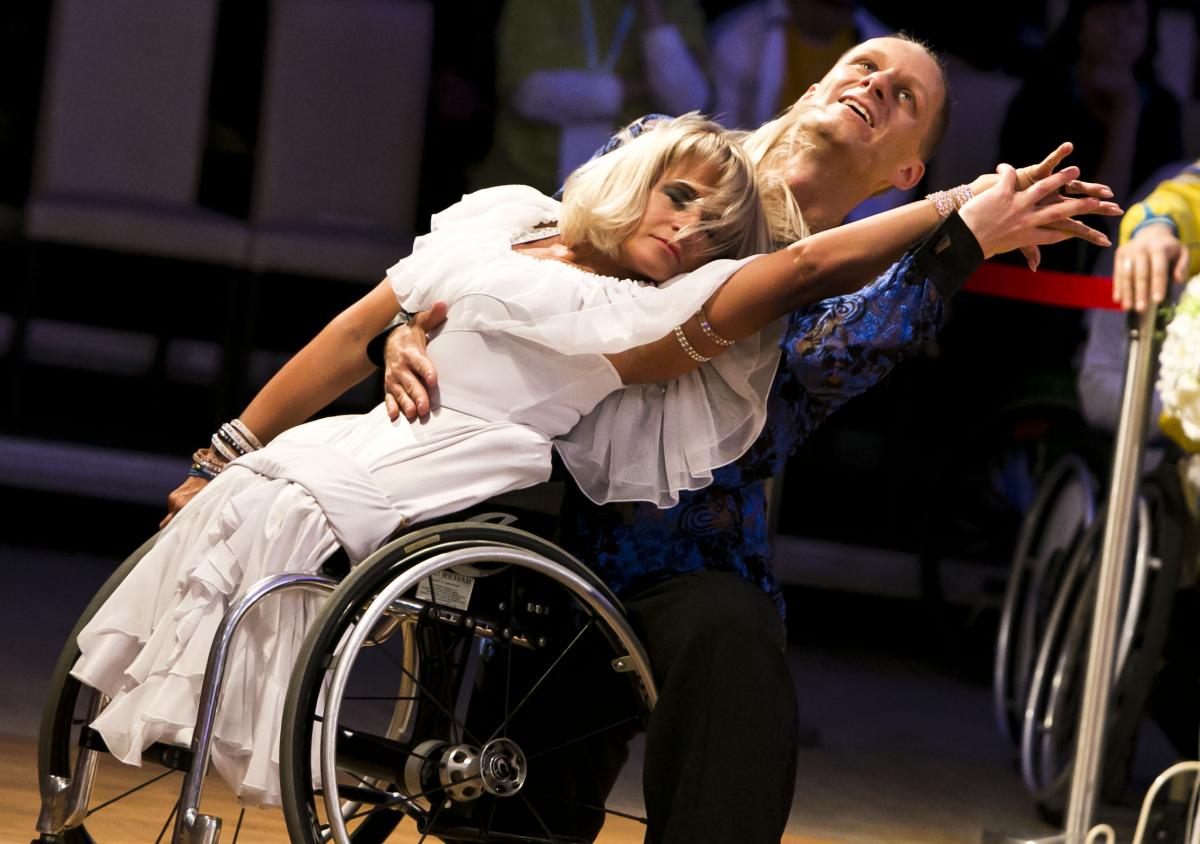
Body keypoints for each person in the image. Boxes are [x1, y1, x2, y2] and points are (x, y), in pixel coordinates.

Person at [376, 36, 1120, 843]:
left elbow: (820, 356)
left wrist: (960, 241)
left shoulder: (881, 277)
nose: (877, 85)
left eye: (907, 97)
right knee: (520, 801)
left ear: (909, 171)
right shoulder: (675, 148)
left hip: (679, 554)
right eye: (864, 67)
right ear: (811, 89)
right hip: (542, 501)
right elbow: (542, 257)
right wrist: (413, 324)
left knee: (733, 637)